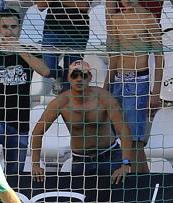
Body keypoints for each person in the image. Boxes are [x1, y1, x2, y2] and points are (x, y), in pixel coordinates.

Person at [0, 9, 50, 174]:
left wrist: (19, 49)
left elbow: (45, 71)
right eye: (5, 27)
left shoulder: (28, 51)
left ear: (19, 28)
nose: (9, 31)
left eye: (13, 27)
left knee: (15, 174)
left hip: (20, 123)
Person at [31, 60, 133, 182]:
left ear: (90, 77)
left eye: (83, 75)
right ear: (69, 78)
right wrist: (35, 165)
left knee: (114, 200)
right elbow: (37, 132)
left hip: (110, 157)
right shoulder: (61, 102)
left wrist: (126, 163)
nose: (79, 79)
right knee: (81, 200)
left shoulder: (103, 97)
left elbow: (123, 130)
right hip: (81, 161)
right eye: (75, 75)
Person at [105, 0, 163, 173]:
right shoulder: (116, 19)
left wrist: (156, 92)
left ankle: (143, 185)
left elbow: (160, 58)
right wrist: (106, 86)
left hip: (138, 82)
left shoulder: (148, 19)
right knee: (116, 138)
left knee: (135, 140)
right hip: (118, 81)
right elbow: (114, 57)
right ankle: (135, 181)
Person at [36, 0, 90, 92]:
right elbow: (41, 6)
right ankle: (59, 76)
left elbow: (84, 5)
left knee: (72, 74)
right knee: (48, 68)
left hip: (78, 32)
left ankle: (65, 101)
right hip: (52, 29)